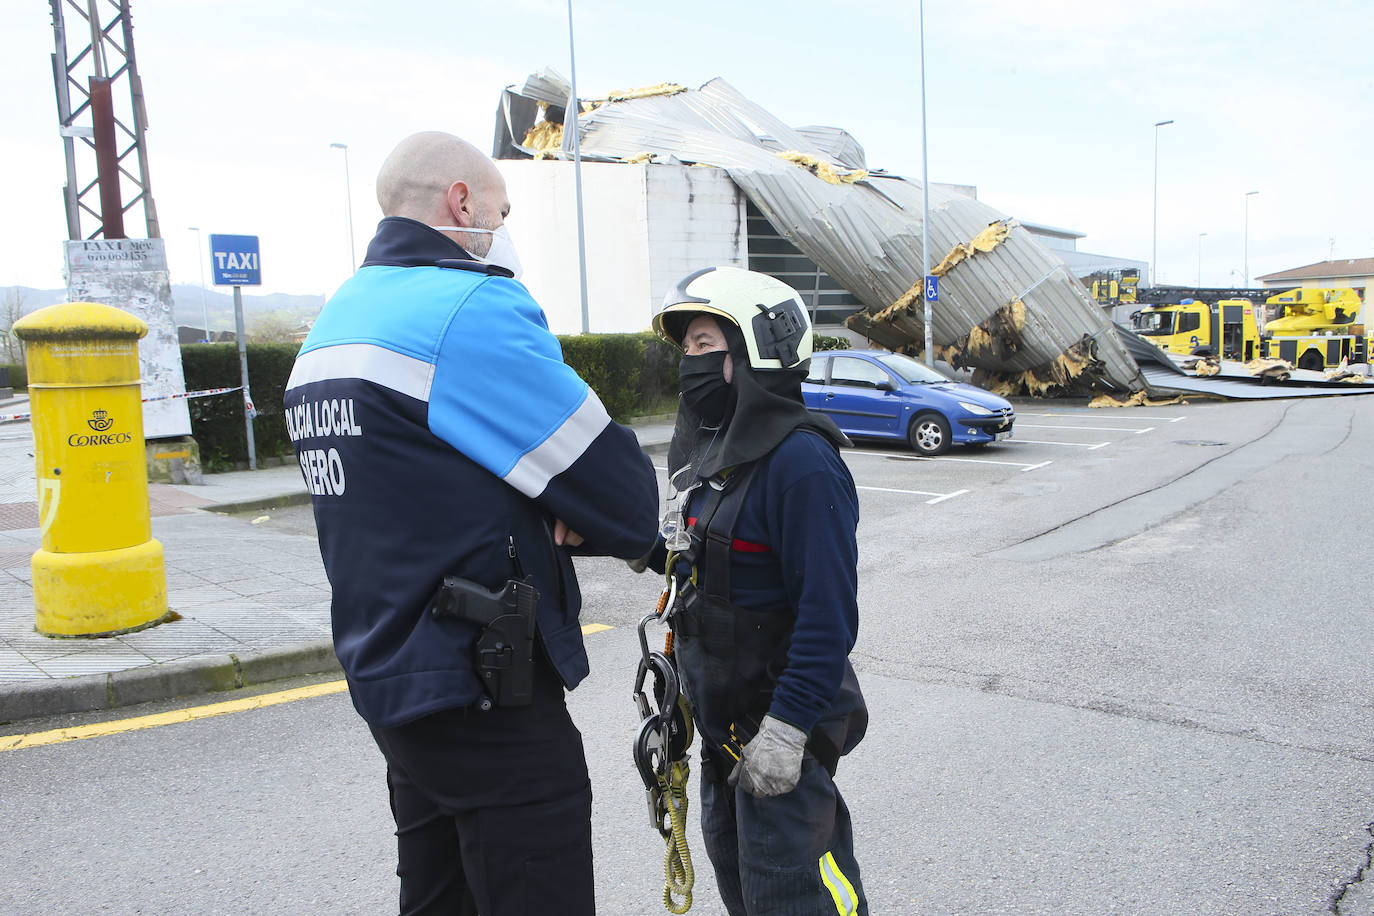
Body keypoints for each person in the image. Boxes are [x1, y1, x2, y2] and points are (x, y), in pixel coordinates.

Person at [284, 131, 659, 916]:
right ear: (461, 202)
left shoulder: (333, 322)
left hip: (393, 680)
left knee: (439, 897)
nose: (502, 225)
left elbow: (415, 488)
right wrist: (568, 510)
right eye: (500, 208)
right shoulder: (466, 307)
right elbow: (623, 496)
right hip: (483, 689)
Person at [642, 266, 869, 915]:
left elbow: (828, 621)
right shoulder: (721, 461)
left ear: (756, 349)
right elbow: (706, 574)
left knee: (802, 901)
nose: (690, 363)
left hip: (778, 745)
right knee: (746, 897)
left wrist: (790, 729)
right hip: (723, 744)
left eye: (704, 345)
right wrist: (639, 546)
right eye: (686, 348)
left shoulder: (801, 465)